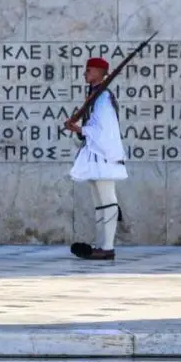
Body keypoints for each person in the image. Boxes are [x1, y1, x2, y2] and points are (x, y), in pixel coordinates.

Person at [66, 56, 127, 261]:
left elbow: (106, 129)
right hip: (94, 154)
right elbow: (92, 126)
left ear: (101, 73)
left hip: (104, 154)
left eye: (90, 70)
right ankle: (101, 244)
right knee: (99, 202)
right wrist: (79, 129)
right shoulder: (95, 95)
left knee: (107, 199)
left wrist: (81, 128)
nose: (85, 74)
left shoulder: (103, 98)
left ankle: (108, 247)